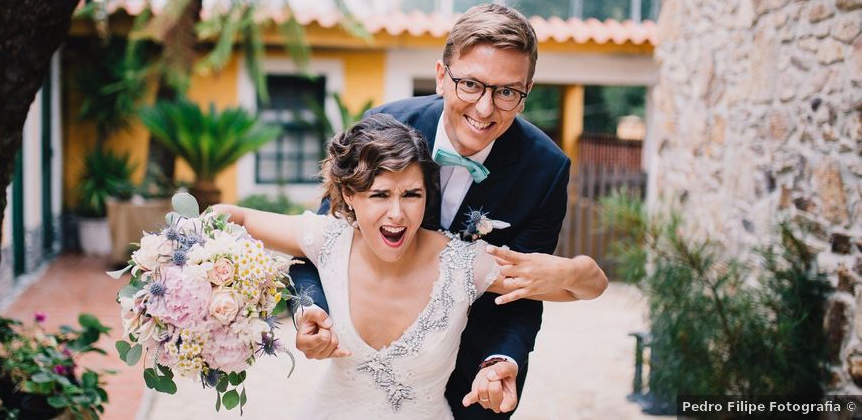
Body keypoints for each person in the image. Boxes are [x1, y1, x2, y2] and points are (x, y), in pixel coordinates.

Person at [291, 3, 608, 418]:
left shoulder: (545, 170)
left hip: (474, 380)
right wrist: (309, 309)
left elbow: (523, 291)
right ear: (442, 76)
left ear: (526, 93)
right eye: (471, 84)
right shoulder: (385, 124)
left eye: (507, 92)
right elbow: (319, 243)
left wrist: (501, 361)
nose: (484, 109)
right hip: (363, 358)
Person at [214, 114, 601, 419]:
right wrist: (194, 257)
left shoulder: (462, 266)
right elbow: (231, 217)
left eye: (412, 195)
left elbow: (588, 287)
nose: (397, 214)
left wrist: (569, 271)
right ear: (349, 194)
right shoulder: (327, 238)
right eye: (379, 194)